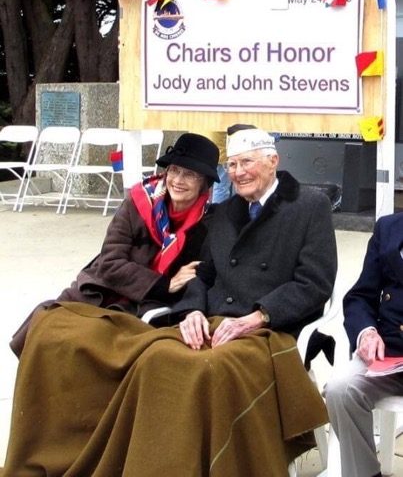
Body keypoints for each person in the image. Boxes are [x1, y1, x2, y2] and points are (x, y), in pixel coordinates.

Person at [2, 127, 337, 477]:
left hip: (269, 328)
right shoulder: (224, 213)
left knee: (202, 372)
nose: (239, 172)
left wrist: (258, 315)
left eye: (247, 162)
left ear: (273, 161)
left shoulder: (310, 206)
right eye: (234, 165)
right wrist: (191, 310)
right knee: (154, 358)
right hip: (213, 320)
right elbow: (203, 275)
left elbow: (314, 283)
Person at [9, 131, 220, 357]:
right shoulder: (139, 202)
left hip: (146, 305)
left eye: (189, 174)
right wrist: (163, 284)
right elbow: (109, 263)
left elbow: (202, 273)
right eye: (174, 170)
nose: (177, 180)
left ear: (205, 184)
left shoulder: (211, 220)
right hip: (102, 290)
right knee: (46, 328)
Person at [325, 212, 403, 477]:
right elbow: (361, 296)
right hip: (389, 353)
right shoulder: (389, 227)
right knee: (340, 390)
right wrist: (367, 333)